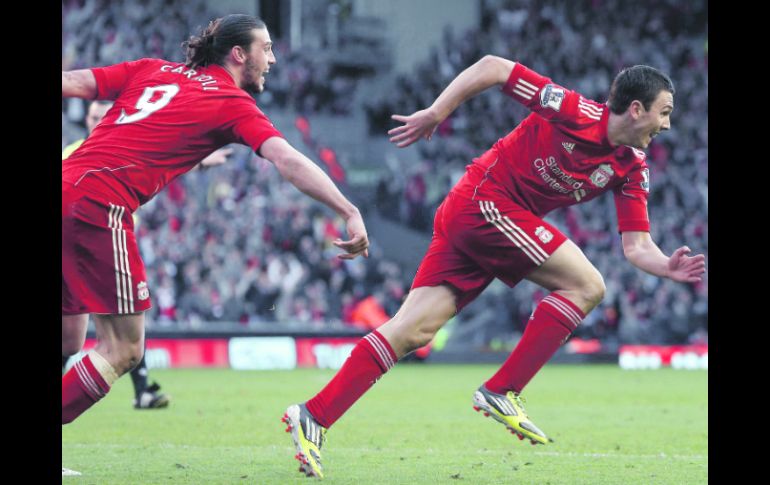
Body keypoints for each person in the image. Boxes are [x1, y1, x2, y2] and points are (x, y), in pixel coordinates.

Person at [282, 55, 705, 478]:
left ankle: (314, 415)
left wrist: (666, 266)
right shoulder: (573, 110)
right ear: (636, 109)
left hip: (482, 222)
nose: (666, 125)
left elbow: (637, 246)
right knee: (587, 285)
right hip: (484, 204)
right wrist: (436, 112)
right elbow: (494, 67)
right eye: (663, 112)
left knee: (413, 330)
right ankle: (503, 390)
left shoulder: (632, 167)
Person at [62, 13, 369, 475]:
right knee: (125, 349)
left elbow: (72, 81)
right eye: (266, 48)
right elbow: (286, 159)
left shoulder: (151, 68)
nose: (273, 58)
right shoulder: (231, 102)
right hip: (98, 203)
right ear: (238, 54)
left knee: (69, 336)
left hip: (68, 185)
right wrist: (348, 208)